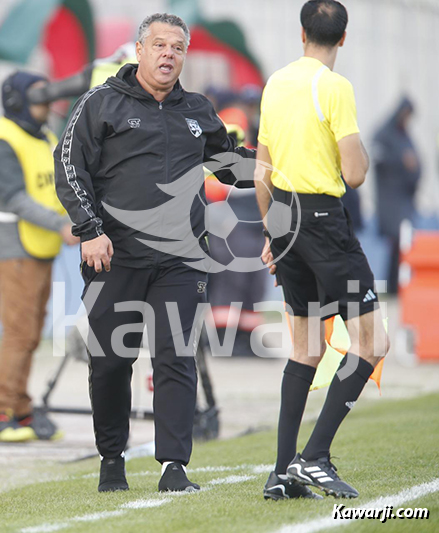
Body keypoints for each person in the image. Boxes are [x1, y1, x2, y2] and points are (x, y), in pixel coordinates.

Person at [54, 13, 255, 493]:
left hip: (182, 261)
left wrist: (275, 160)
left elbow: (229, 168)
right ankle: (111, 460)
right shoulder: (100, 103)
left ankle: (173, 467)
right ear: (139, 50)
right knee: (109, 362)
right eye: (159, 45)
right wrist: (89, 230)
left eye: (178, 47)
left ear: (185, 56)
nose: (169, 54)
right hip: (114, 255)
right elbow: (68, 166)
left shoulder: (199, 109)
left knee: (176, 357)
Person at [255, 0, 389, 500]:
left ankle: (281, 471)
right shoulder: (333, 87)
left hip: (284, 218)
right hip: (322, 220)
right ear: (344, 37)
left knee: (306, 348)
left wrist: (272, 233)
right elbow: (353, 173)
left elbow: (260, 172)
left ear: (302, 32)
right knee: (373, 344)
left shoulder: (276, 82)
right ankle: (314, 458)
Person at [0, 71, 77, 443]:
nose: (46, 104)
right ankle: (3, 410)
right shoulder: (5, 137)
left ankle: (20, 407)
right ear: (17, 101)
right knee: (18, 333)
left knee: (31, 334)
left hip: (40, 248)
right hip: (15, 248)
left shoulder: (45, 137)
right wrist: (60, 225)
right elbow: (14, 198)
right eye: (38, 97)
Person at [373, 97, 421, 294]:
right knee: (395, 241)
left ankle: (397, 285)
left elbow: (415, 163)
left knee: (402, 242)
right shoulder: (385, 135)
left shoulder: (404, 136)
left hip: (404, 199)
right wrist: (402, 162)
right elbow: (380, 160)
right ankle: (392, 285)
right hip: (390, 200)